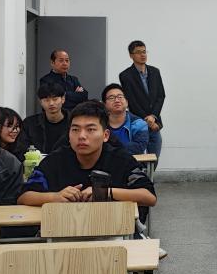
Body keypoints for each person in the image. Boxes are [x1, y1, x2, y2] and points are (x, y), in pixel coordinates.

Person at [19, 101, 156, 209]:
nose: (82, 136)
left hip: (112, 229)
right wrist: (54, 197)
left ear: (105, 135)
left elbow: (149, 197)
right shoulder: (55, 160)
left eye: (90, 129)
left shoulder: (121, 159)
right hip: (65, 229)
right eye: (75, 130)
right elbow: (24, 196)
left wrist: (106, 192)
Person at [118, 40, 166, 159]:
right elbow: (131, 101)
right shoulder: (125, 75)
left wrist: (153, 117)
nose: (143, 55)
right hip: (138, 122)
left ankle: (150, 173)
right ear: (131, 55)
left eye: (144, 51)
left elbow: (161, 96)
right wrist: (147, 119)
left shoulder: (155, 72)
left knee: (154, 156)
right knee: (138, 156)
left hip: (155, 121)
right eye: (139, 52)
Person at [20, 82, 70, 153]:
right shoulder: (29, 123)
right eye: (46, 100)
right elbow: (22, 148)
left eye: (55, 99)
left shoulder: (73, 122)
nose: (51, 103)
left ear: (63, 99)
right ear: (40, 102)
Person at [102, 83, 149, 155]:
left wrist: (110, 149)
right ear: (104, 104)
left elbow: (139, 147)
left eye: (120, 97)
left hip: (131, 161)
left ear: (127, 102)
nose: (117, 100)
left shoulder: (139, 123)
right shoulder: (99, 123)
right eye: (111, 98)